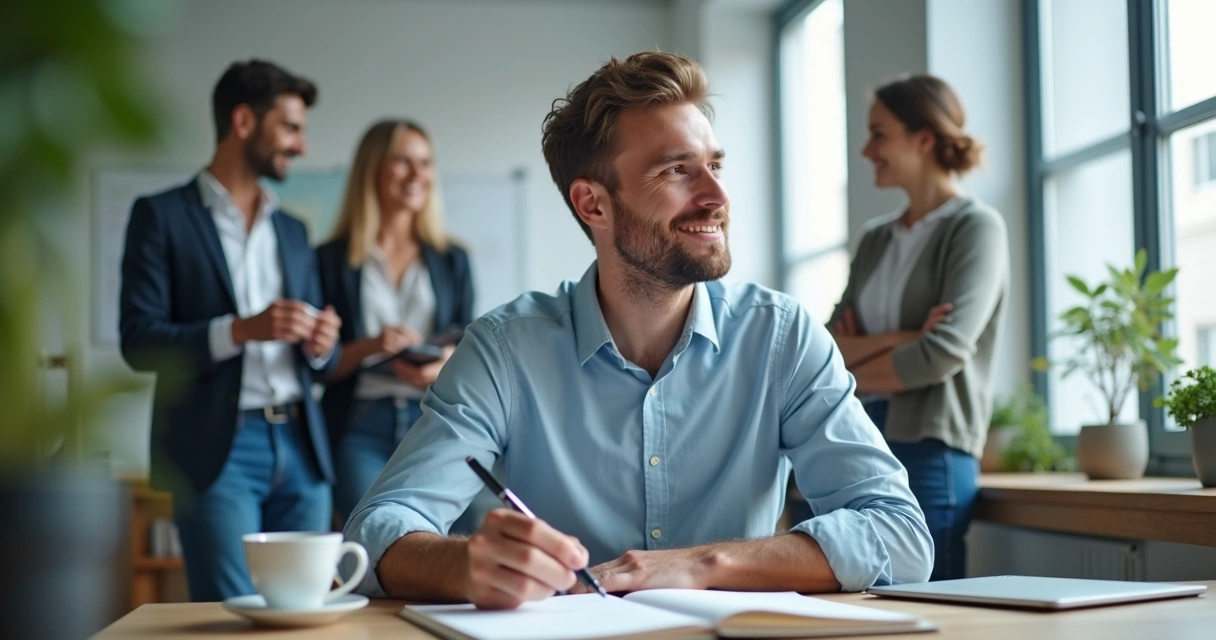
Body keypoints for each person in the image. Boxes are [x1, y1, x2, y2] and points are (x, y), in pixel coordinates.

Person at [344, 51, 932, 609]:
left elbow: (900, 536)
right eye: (677, 170)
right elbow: (377, 531)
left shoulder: (782, 337)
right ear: (593, 204)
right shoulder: (504, 348)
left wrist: (700, 566)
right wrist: (465, 564)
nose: (718, 197)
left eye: (716, 166)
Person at [119, 59, 342, 602]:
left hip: (301, 445)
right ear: (243, 121)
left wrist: (322, 345)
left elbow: (324, 363)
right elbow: (140, 341)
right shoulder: (161, 216)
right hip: (217, 449)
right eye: (290, 127)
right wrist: (239, 331)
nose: (301, 145)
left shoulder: (293, 229)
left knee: (304, 612)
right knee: (229, 616)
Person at [827, 74, 1009, 582]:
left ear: (924, 138)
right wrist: (902, 338)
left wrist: (849, 365)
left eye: (879, 133)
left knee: (930, 608)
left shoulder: (975, 227)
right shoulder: (874, 240)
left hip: (930, 448)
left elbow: (942, 355)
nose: (867, 149)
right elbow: (824, 347)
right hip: (857, 442)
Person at [316, 119, 475, 524]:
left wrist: (442, 366)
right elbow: (318, 364)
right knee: (372, 539)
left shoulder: (452, 258)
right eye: (403, 161)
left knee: (443, 544)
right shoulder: (330, 260)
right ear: (372, 169)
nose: (417, 174)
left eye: (425, 162)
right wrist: (372, 345)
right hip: (359, 423)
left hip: (434, 422)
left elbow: (473, 345)